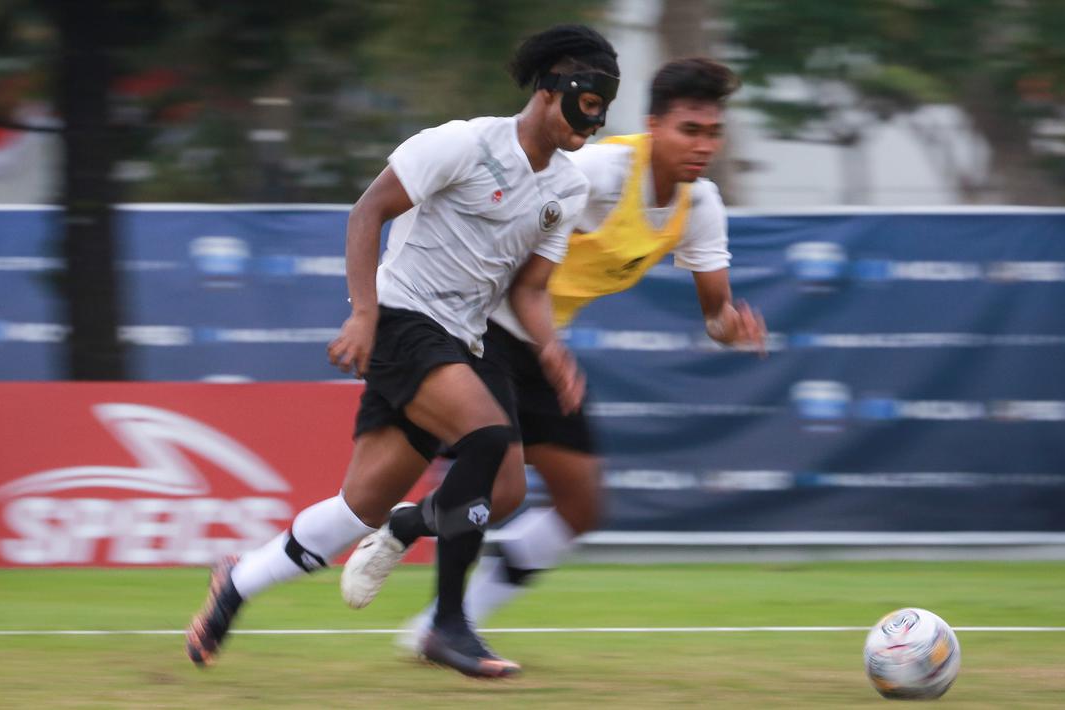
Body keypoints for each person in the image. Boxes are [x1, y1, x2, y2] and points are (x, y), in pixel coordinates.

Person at [185, 24, 621, 678]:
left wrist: (551, 347)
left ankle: (239, 581)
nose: (591, 126)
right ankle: (447, 626)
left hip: (463, 338)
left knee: (374, 507)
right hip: (403, 321)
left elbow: (530, 287)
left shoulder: (567, 189)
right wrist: (363, 313)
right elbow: (368, 212)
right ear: (548, 87)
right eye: (584, 106)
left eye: (601, 112)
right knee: (486, 438)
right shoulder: (463, 143)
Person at [339, 57, 765, 651]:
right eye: (688, 130)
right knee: (501, 491)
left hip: (543, 344)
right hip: (486, 326)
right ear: (652, 126)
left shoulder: (703, 207)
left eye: (713, 133)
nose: (703, 146)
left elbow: (715, 312)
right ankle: (445, 626)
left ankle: (421, 554)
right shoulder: (599, 171)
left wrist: (729, 328)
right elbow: (512, 194)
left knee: (580, 506)